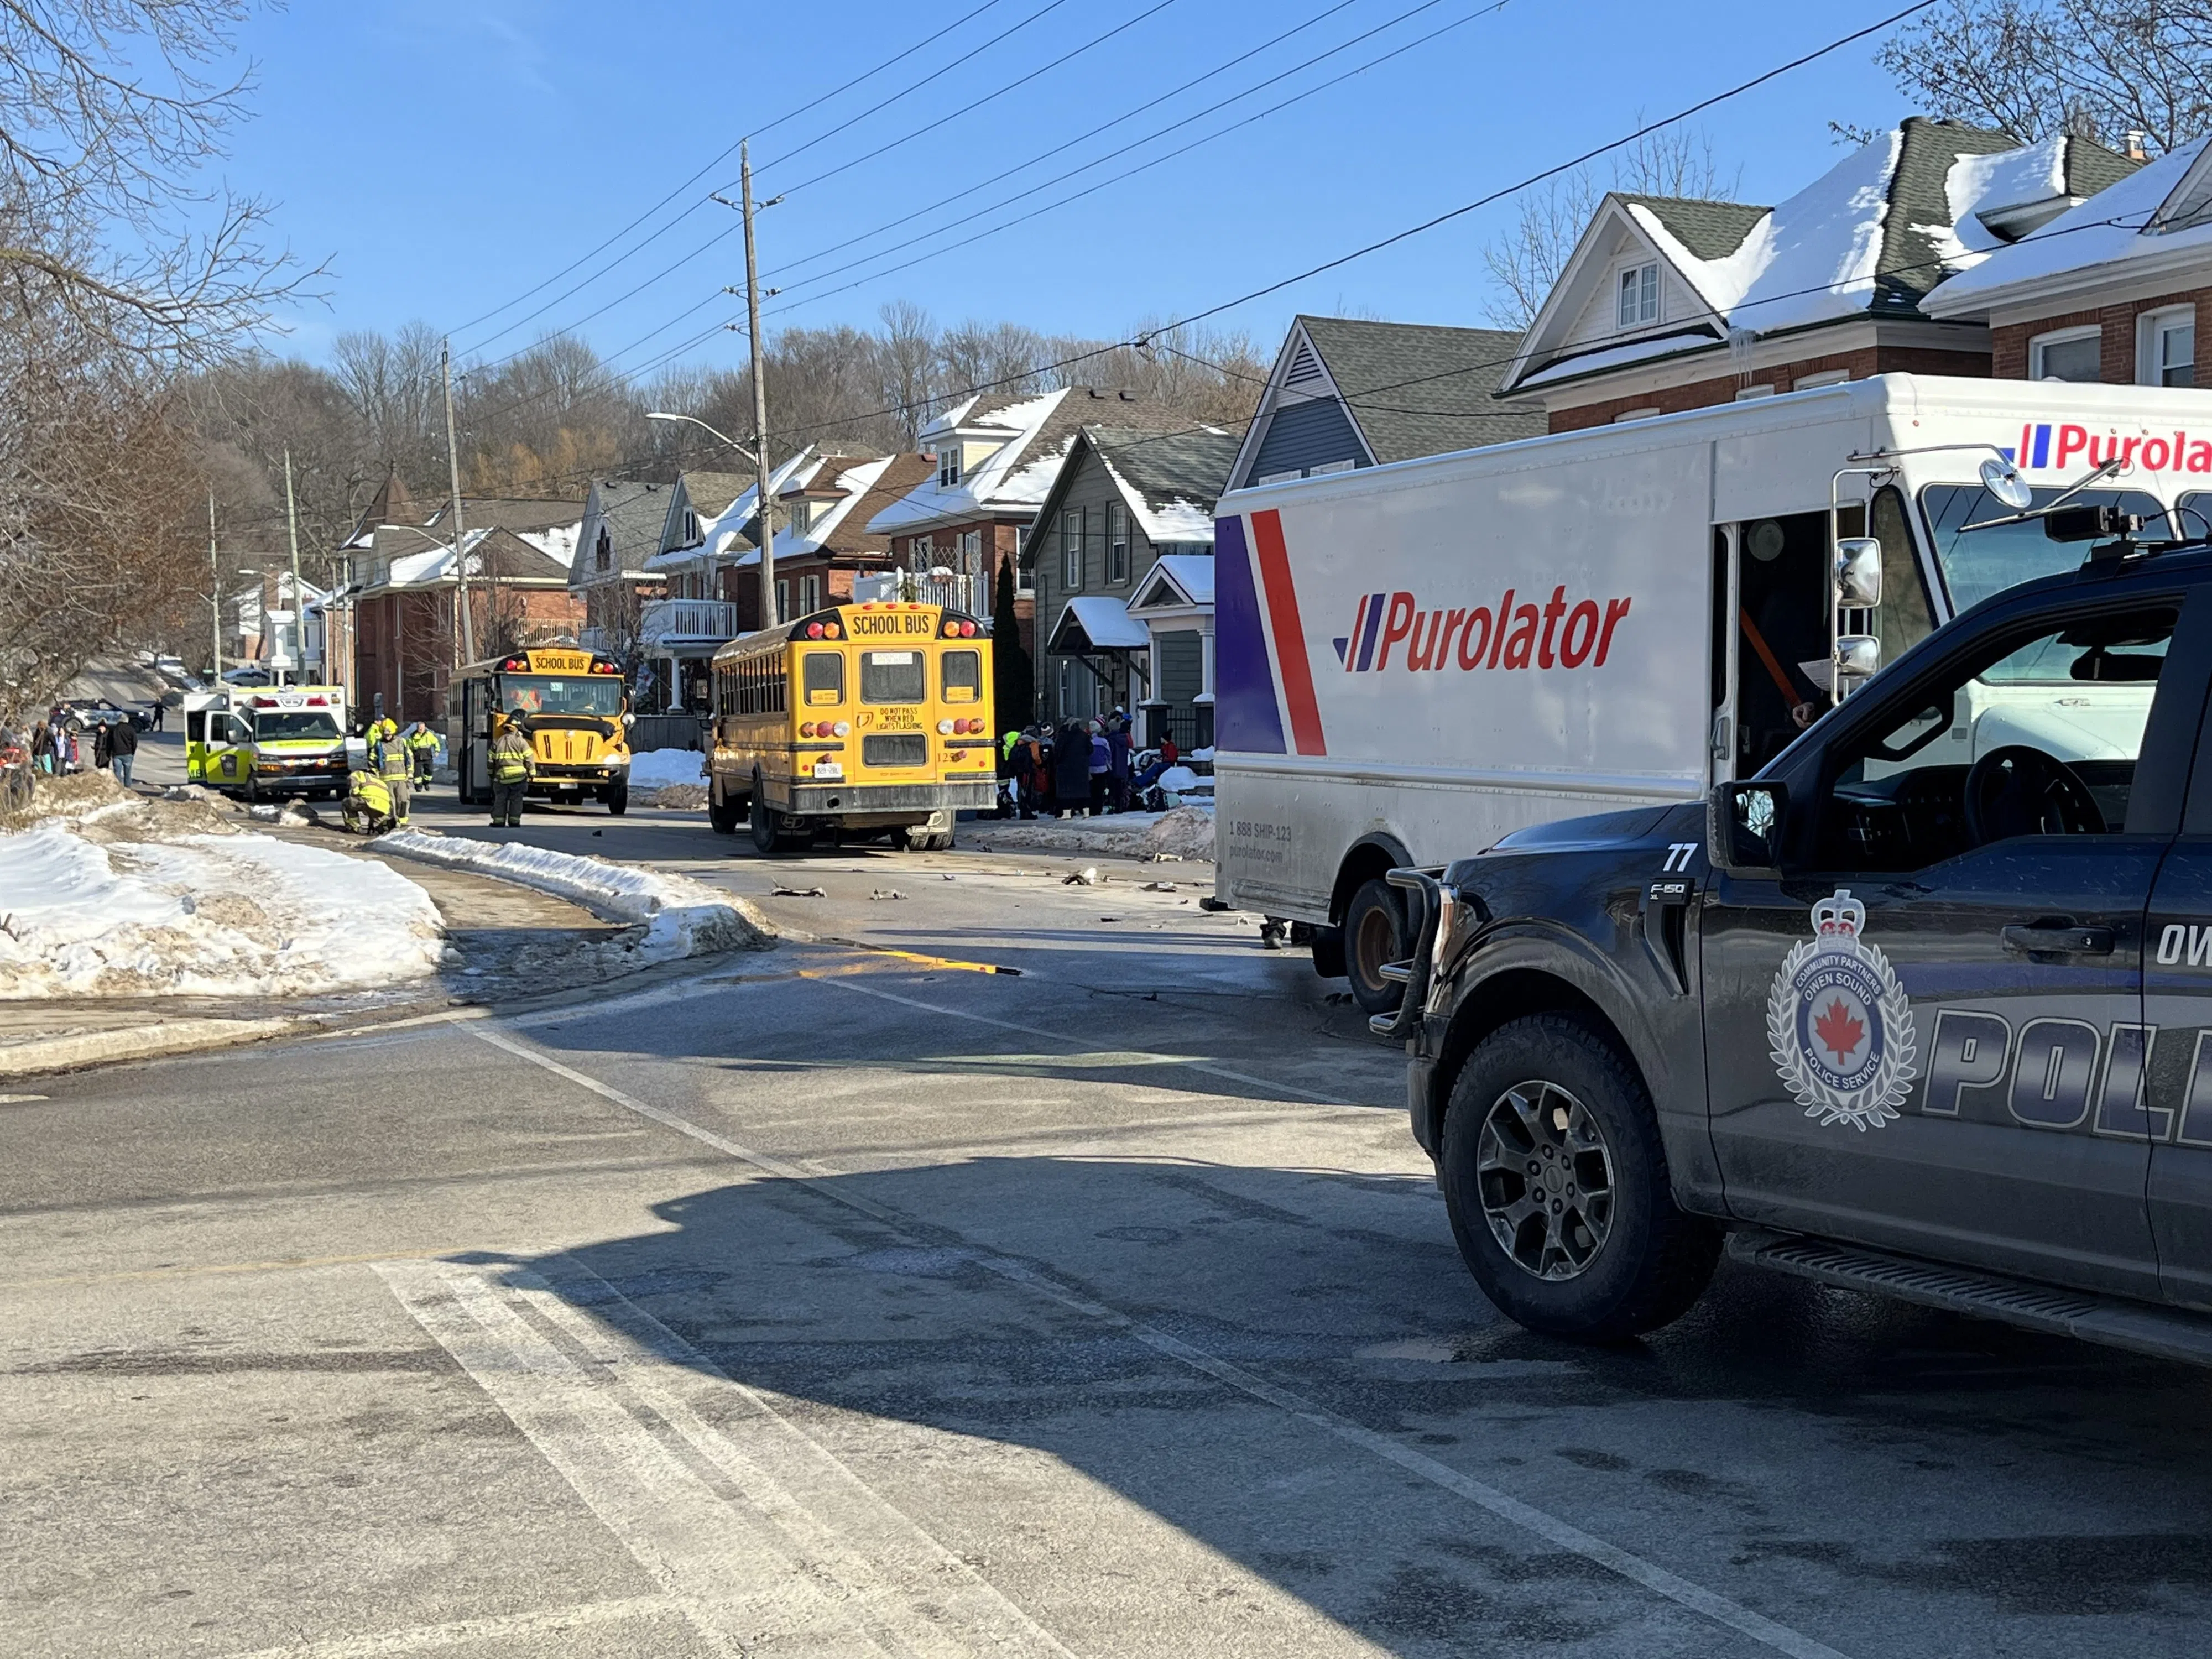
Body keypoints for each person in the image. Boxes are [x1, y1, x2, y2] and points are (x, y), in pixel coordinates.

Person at [488, 712, 534, 827]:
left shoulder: (498, 742)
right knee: (516, 800)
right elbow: (529, 759)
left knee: (500, 799)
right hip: (518, 778)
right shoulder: (521, 742)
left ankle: (499, 821)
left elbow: (490, 761)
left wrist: (491, 774)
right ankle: (514, 821)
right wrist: (532, 773)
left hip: (502, 777)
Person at [375, 718, 413, 827]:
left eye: (389, 734)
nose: (387, 737)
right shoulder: (379, 745)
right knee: (389, 802)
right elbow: (373, 760)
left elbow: (409, 758)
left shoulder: (402, 743)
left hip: (401, 778)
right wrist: (375, 772)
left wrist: (410, 772)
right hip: (385, 779)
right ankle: (391, 821)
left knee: (403, 800)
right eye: (385, 735)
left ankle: (402, 820)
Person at [1053, 718, 1091, 817]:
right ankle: (1086, 812)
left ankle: (1067, 813)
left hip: (1066, 767)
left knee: (1066, 792)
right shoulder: (1084, 736)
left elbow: (1058, 752)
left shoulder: (1064, 737)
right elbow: (1090, 749)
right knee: (1083, 790)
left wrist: (1057, 763)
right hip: (1082, 767)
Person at [342, 767, 396, 836]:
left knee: (346, 803)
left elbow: (353, 779)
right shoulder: (382, 783)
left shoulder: (361, 774)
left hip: (367, 800)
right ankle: (377, 827)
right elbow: (390, 800)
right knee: (374, 812)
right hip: (384, 807)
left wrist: (355, 792)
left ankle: (355, 828)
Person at [1105, 716, 1134, 813]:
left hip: (1113, 768)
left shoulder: (1110, 739)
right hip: (1123, 767)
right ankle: (1121, 806)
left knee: (1112, 789)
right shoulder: (1124, 739)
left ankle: (1112, 806)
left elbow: (1110, 754)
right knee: (1121, 789)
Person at [1087, 719, 1111, 816]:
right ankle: (1099, 808)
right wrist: (1109, 764)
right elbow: (1109, 754)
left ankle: (1092, 808)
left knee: (1092, 790)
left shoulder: (1088, 741)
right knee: (1100, 790)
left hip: (1090, 769)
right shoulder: (1103, 741)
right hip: (1102, 768)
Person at [103, 717, 137, 787]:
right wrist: (132, 752)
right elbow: (135, 741)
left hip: (117, 754)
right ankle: (128, 788)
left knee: (117, 772)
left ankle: (118, 788)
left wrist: (109, 753)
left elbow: (109, 742)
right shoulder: (131, 729)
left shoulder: (114, 729)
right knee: (128, 773)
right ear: (127, 721)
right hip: (128, 753)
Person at [405, 721, 439, 786]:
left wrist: (437, 750)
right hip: (417, 759)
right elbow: (408, 747)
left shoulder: (429, 735)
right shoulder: (412, 737)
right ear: (417, 728)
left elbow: (436, 742)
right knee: (417, 774)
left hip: (428, 757)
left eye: (422, 728)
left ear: (425, 728)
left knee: (429, 772)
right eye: (420, 728)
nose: (421, 729)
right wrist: (409, 754)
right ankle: (418, 786)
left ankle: (426, 783)